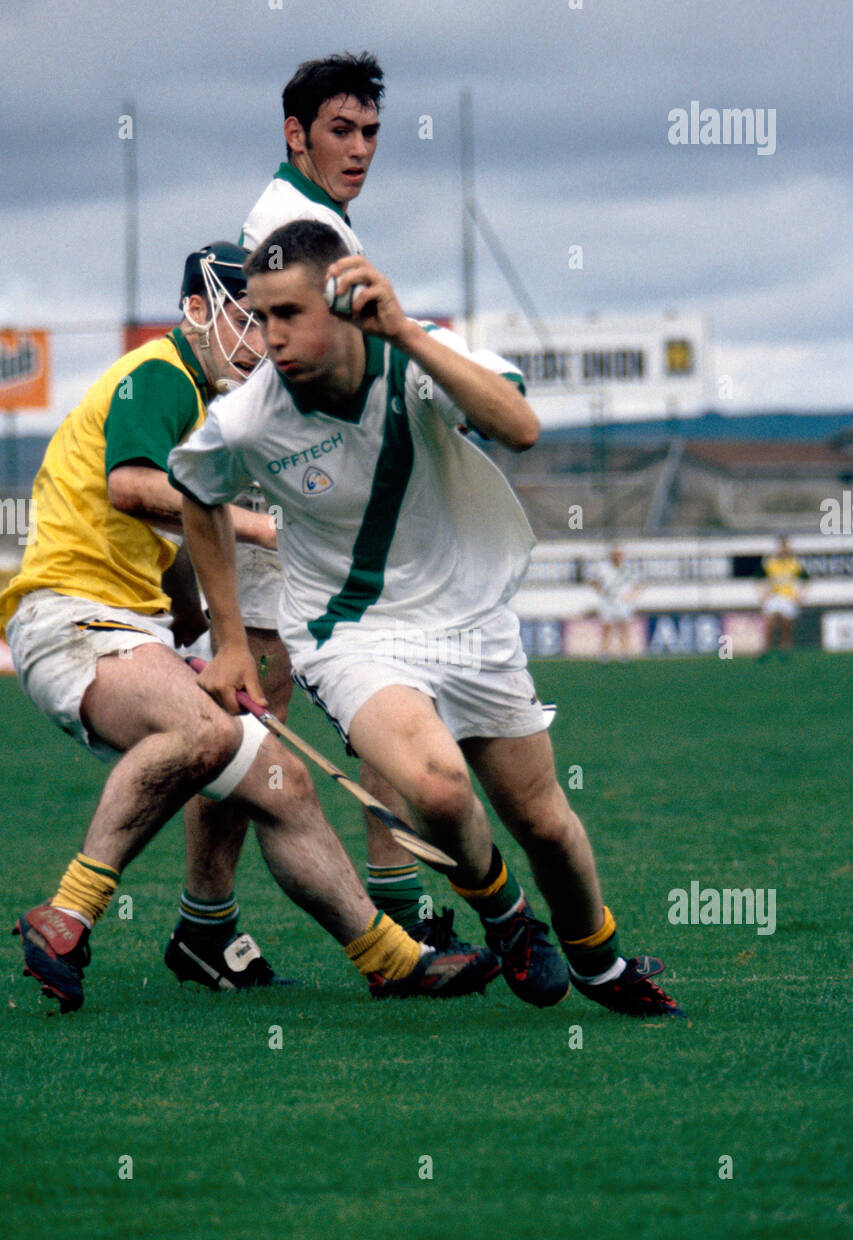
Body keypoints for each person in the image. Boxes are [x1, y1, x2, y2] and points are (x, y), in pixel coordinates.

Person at [169, 220, 685, 1018]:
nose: (269, 337)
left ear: (344, 302)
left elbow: (518, 427)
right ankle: (507, 917)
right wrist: (230, 641)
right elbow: (196, 492)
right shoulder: (247, 417)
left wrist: (405, 332)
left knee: (545, 824)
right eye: (259, 315)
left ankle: (599, 960)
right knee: (438, 788)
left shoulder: (416, 354)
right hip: (351, 635)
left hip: (472, 622)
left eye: (288, 314)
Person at [1, 239, 496, 1012]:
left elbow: (156, 544)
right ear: (195, 312)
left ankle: (393, 960)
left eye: (266, 322)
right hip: (72, 619)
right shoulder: (160, 375)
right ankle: (66, 915)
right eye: (243, 318)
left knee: (283, 783)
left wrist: (199, 636)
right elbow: (131, 488)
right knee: (201, 737)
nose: (259, 340)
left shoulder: (202, 408)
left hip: (127, 627)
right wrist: (262, 529)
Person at [186, 49, 468, 960]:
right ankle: (206, 920)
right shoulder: (297, 221)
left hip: (311, 490)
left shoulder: (314, 215)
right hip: (303, 494)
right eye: (340, 131)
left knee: (294, 707)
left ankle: (230, 919)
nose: (360, 149)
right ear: (294, 133)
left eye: (371, 133)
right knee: (259, 713)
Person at [591, 546, 640, 660]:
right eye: (615, 555)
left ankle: (624, 652)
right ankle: (604, 652)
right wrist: (601, 591)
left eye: (620, 555)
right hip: (608, 602)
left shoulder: (628, 569)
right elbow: (593, 581)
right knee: (607, 627)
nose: (618, 557)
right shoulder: (603, 568)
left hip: (623, 602)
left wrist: (631, 596)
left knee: (624, 627)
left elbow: (638, 585)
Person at [760, 536, 804, 657]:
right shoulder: (771, 562)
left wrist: (800, 595)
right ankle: (766, 648)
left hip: (788, 596)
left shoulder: (794, 563)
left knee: (786, 624)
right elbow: (760, 578)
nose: (783, 549)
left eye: (785, 546)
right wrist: (763, 594)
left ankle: (785, 647)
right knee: (769, 623)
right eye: (781, 547)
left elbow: (804, 580)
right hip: (774, 596)